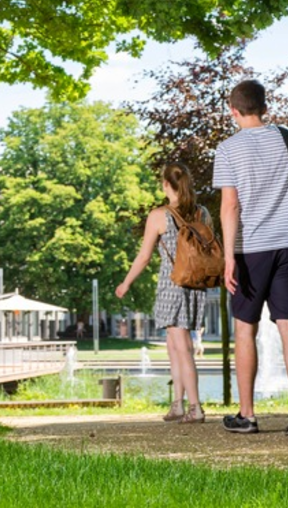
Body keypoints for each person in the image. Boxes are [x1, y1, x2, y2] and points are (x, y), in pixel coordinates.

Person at [213, 79, 288, 436]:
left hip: (250, 250)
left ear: (234, 110)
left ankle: (248, 415)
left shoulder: (227, 148)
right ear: (264, 106)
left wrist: (228, 257)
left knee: (245, 328)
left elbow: (230, 206)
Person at [116, 162, 208, 424]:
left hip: (172, 285)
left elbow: (144, 257)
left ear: (166, 184)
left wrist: (126, 283)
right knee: (174, 346)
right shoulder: (201, 213)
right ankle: (177, 404)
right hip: (196, 285)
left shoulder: (159, 216)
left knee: (182, 347)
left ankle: (195, 407)